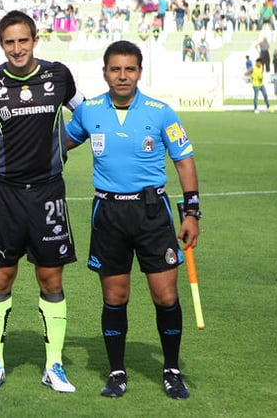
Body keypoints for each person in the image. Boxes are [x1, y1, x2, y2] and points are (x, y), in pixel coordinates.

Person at [64, 40, 201, 400]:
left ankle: (171, 370)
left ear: (140, 72)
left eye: (130, 69)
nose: (122, 76)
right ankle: (116, 373)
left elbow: (183, 161)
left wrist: (192, 212)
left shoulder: (161, 112)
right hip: (108, 213)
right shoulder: (89, 111)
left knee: (165, 295)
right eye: (115, 69)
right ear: (105, 72)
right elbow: (59, 144)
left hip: (153, 213)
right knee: (115, 296)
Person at [0, 11, 84, 394]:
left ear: (35, 40)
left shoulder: (59, 76)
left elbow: (85, 113)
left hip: (48, 192)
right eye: (10, 42)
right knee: (1, 276)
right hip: (4, 193)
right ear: (1, 43)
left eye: (24, 40)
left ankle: (54, 366)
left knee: (50, 278)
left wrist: (63, 144)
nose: (17, 48)